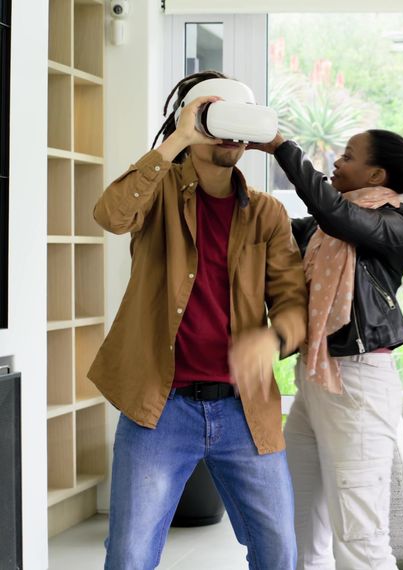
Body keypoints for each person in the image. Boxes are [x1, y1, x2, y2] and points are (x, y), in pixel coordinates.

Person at [90, 71, 307, 569]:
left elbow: (293, 305)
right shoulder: (158, 193)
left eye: (239, 123)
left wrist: (274, 340)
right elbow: (111, 215)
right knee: (129, 556)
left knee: (279, 552)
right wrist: (179, 138)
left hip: (244, 409)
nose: (230, 136)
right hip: (159, 406)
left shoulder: (268, 214)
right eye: (217, 120)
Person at [250, 129, 403, 569]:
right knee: (299, 526)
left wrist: (281, 149)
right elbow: (276, 227)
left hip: (358, 384)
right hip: (314, 378)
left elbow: (333, 212)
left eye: (348, 156)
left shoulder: (394, 224)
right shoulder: (321, 230)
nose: (338, 162)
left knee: (360, 537)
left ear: (376, 174)